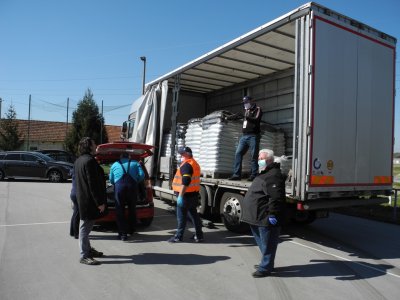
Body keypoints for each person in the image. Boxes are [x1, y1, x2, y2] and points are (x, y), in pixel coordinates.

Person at [240, 149, 285, 278]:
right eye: (259, 158)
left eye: (261, 158)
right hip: (256, 216)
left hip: (265, 216)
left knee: (268, 243)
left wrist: (273, 214)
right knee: (262, 242)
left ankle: (265, 268)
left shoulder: (274, 175)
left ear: (269, 160)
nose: (259, 160)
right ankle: (266, 262)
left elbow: (275, 197)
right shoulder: (265, 172)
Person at [74, 137, 107, 265]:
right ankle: (84, 255)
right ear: (89, 146)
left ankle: (88, 250)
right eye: (94, 144)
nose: (96, 146)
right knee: (84, 229)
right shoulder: (89, 161)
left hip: (83, 199)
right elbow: (93, 184)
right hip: (89, 201)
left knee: (86, 228)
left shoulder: (79, 160)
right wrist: (100, 202)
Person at [168, 146, 204, 243]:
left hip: (185, 196)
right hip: (193, 195)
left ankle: (178, 237)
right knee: (194, 215)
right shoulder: (195, 163)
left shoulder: (187, 165)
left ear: (186, 154)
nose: (181, 156)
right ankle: (199, 235)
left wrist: (180, 196)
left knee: (181, 217)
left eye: (182, 154)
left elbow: (186, 181)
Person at [109, 152, 144, 241]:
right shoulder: (135, 163)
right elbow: (142, 175)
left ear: (120, 157)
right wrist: (136, 180)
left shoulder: (115, 164)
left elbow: (111, 179)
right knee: (132, 209)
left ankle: (123, 234)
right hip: (132, 188)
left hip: (119, 188)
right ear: (129, 157)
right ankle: (131, 230)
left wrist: (116, 184)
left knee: (120, 210)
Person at [228, 95, 262, 182]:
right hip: (244, 136)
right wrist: (227, 118)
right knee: (238, 153)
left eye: (246, 102)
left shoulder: (257, 109)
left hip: (253, 136)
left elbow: (256, 119)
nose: (245, 104)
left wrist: (246, 117)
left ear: (251, 101)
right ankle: (236, 174)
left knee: (253, 156)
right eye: (244, 103)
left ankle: (254, 174)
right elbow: (238, 116)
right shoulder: (245, 111)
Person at [69, 169, 79, 239]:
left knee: (75, 213)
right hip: (77, 194)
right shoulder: (78, 172)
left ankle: (72, 232)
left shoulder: (73, 170)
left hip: (73, 193)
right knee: (77, 214)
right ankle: (76, 233)